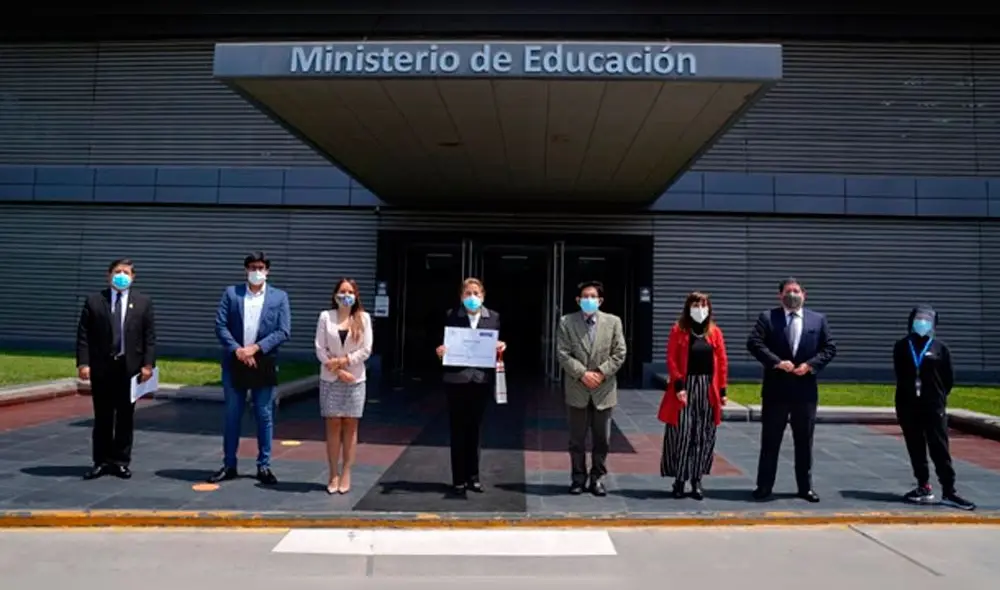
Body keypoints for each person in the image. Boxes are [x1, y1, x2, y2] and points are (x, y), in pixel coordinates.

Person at [746, 277, 836, 502]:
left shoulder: (818, 320)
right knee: (770, 441)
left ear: (804, 294)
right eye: (788, 291)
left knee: (804, 442)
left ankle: (805, 487)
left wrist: (810, 366)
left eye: (796, 291)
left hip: (804, 392)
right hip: (776, 390)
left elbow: (829, 348)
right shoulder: (768, 317)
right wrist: (776, 361)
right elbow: (754, 343)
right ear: (780, 295)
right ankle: (764, 486)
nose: (792, 294)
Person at [208, 252, 291, 485]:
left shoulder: (279, 297)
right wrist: (239, 350)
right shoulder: (232, 293)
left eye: (261, 267)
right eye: (253, 267)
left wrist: (255, 348)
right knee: (232, 414)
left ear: (268, 271)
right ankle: (229, 464)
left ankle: (264, 465)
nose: (257, 271)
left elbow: (283, 331)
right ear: (246, 269)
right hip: (235, 360)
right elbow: (220, 325)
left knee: (264, 415)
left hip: (263, 361)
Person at [75, 258, 156, 480]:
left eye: (126, 272)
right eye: (117, 271)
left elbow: (149, 337)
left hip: (129, 368)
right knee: (102, 417)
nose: (121, 275)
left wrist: (148, 365)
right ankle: (101, 461)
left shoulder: (143, 302)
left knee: (125, 417)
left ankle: (120, 461)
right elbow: (84, 336)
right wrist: (83, 363)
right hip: (102, 367)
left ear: (133, 276)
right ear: (108, 275)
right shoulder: (94, 301)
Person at [892, 305, 975, 511]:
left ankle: (949, 490)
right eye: (918, 318)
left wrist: (936, 397)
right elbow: (900, 373)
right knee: (915, 447)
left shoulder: (940, 348)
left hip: (933, 406)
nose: (922, 322)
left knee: (939, 447)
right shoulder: (902, 346)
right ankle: (923, 486)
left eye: (926, 319)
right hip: (908, 405)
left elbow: (948, 379)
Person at [555, 280, 627, 496]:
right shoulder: (566, 322)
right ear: (578, 300)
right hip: (578, 388)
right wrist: (583, 374)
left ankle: (597, 478)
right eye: (585, 297)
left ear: (600, 300)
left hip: (603, 390)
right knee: (576, 440)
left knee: (602, 439)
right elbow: (563, 354)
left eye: (593, 297)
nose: (589, 300)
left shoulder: (613, 322)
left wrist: (601, 372)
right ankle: (578, 478)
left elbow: (620, 352)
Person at [435, 278, 505, 497]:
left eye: (476, 293)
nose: (472, 297)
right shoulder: (450, 316)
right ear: (461, 296)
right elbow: (441, 343)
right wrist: (440, 351)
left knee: (475, 430)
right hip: (456, 380)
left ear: (483, 295)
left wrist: (501, 347)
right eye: (467, 293)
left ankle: (473, 477)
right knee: (457, 430)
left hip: (480, 380)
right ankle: (458, 479)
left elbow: (496, 343)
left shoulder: (493, 317)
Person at [657, 291, 729, 500]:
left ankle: (696, 480)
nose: (700, 308)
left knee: (703, 435)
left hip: (708, 388)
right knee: (683, 433)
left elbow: (722, 362)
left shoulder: (714, 332)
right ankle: (679, 479)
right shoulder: (678, 330)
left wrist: (723, 390)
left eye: (704, 304)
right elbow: (671, 359)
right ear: (688, 307)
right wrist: (679, 386)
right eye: (696, 304)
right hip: (685, 388)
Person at [314, 278, 373, 495]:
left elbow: (366, 350)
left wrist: (345, 361)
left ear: (356, 295)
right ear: (335, 294)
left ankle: (346, 472)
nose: (346, 295)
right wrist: (338, 370)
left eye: (350, 291)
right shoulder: (325, 317)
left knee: (350, 426)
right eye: (342, 291)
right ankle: (332, 473)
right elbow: (320, 348)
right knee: (333, 426)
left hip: (355, 379)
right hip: (331, 378)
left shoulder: (363, 318)